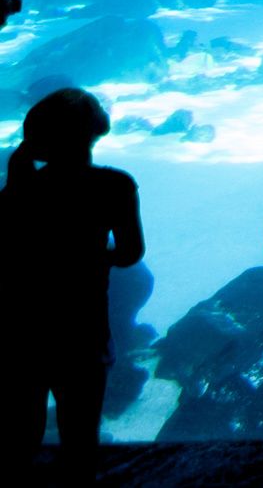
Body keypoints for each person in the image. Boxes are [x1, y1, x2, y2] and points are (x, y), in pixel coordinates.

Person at [0, 88, 144, 483]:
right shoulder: (115, 185)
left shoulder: (21, 190)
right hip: (83, 328)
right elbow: (131, 252)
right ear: (97, 132)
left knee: (18, 435)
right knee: (80, 438)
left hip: (22, 328)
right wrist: (96, 255)